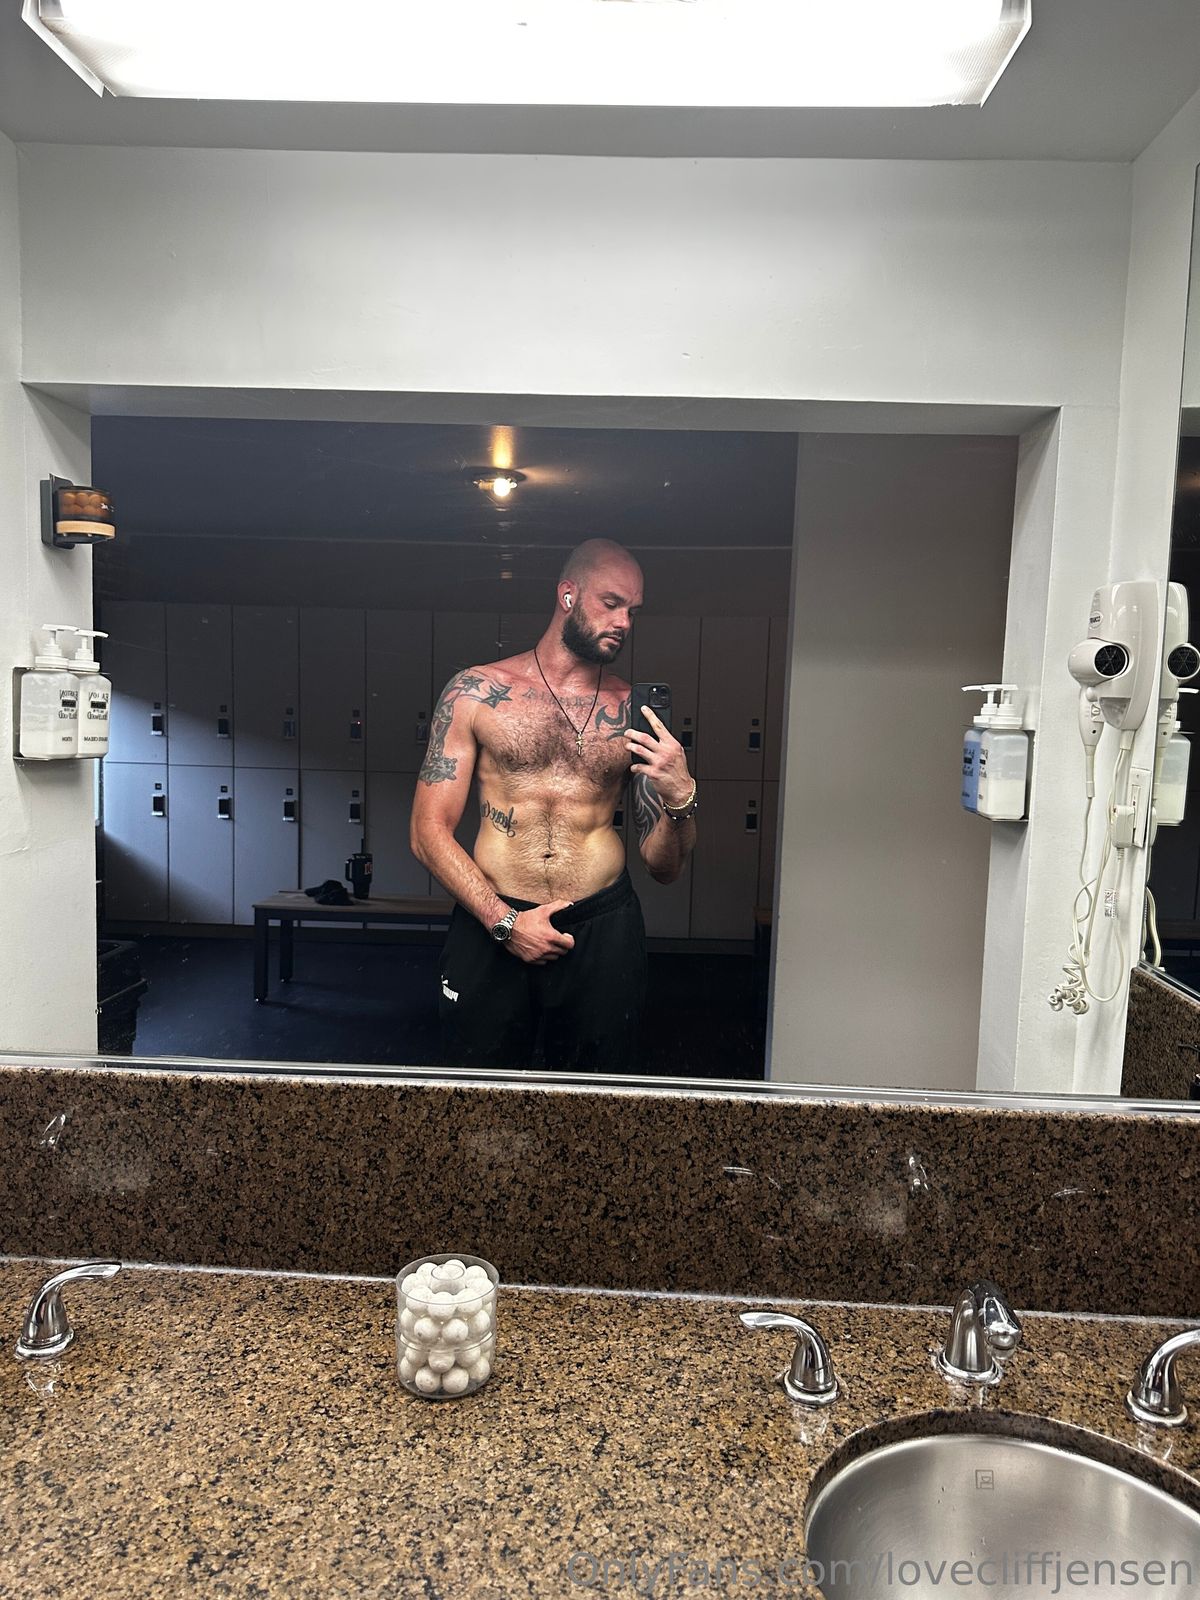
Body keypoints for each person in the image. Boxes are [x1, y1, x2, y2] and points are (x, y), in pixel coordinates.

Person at [410, 538, 698, 1072]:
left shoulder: (632, 712)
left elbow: (664, 867)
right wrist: (503, 922)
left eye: (633, 611)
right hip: (492, 919)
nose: (624, 622)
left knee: (598, 1099)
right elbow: (427, 831)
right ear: (568, 595)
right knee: (478, 1094)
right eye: (611, 603)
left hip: (601, 928)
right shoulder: (476, 693)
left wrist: (681, 798)